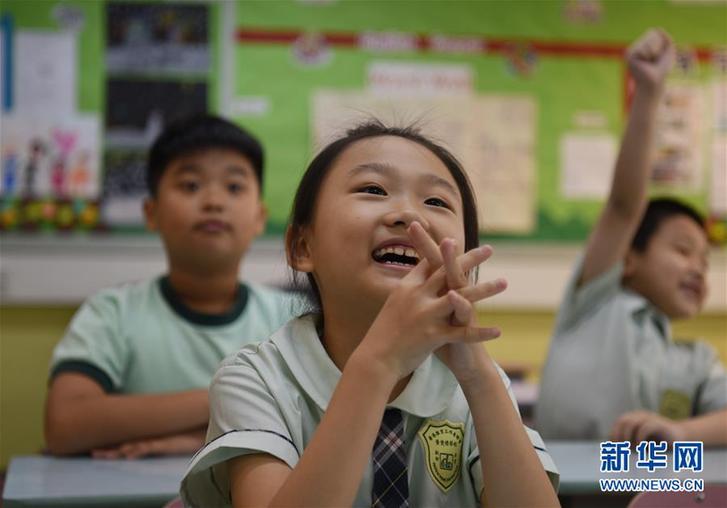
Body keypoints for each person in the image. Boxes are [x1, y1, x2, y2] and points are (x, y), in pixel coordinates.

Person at [181, 121, 560, 507]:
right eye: (373, 190)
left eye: (436, 202)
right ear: (302, 246)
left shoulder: (477, 383)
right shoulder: (256, 379)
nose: (411, 217)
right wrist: (379, 362)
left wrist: (479, 377)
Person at [45, 114, 299, 458]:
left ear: (259, 217)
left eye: (234, 187)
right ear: (152, 213)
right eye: (191, 185)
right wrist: (232, 399)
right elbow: (65, 424)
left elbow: (320, 420)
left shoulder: (291, 318)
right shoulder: (113, 313)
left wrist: (195, 439)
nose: (213, 201)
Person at [535, 29, 727, 444]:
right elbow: (624, 207)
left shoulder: (696, 361)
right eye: (682, 249)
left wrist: (682, 431)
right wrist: (648, 92)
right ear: (628, 258)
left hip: (650, 495)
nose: (697, 267)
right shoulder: (596, 302)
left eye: (705, 262)